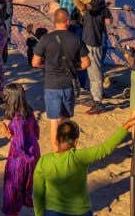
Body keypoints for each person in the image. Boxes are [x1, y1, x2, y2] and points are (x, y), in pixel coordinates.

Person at [31, 8, 90, 142]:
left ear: (55, 21)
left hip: (51, 85)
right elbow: (86, 63)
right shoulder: (76, 39)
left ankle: (56, 150)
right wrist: (75, 68)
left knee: (54, 122)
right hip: (68, 84)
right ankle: (66, 150)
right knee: (66, 121)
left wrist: (46, 66)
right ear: (68, 22)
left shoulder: (46, 39)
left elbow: (35, 62)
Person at [0, 84, 40, 216]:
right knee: (32, 189)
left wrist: (8, 134)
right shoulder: (29, 112)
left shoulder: (18, 120)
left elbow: (19, 144)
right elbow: (36, 133)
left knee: (11, 191)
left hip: (20, 160)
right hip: (34, 154)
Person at [65, 0, 112, 111]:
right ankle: (94, 97)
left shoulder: (99, 2)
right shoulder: (93, 0)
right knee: (90, 71)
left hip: (94, 41)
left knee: (95, 72)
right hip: (87, 39)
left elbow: (83, 8)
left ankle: (98, 102)